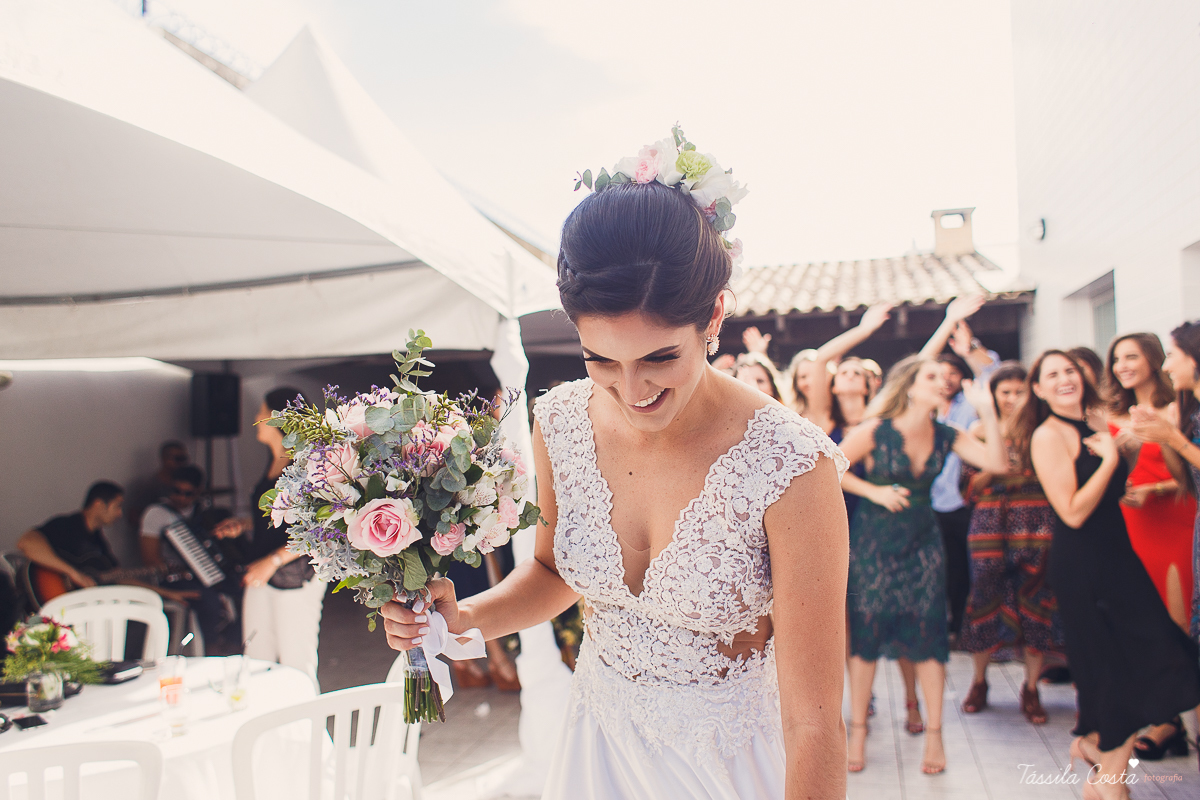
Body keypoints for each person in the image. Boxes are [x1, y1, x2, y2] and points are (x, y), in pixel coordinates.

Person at [382, 173, 850, 798]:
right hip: (595, 754)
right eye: (600, 359)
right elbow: (552, 573)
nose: (632, 392)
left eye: (660, 358)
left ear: (714, 315)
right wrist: (463, 617)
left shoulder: (791, 464)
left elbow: (814, 724)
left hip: (726, 772)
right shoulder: (560, 421)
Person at [1025, 350, 1200, 798]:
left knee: (1163, 655)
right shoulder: (1047, 435)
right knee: (1110, 672)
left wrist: (1132, 447)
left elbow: (1118, 488)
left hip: (1120, 557)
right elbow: (1072, 511)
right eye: (1052, 374)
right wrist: (1106, 461)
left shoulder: (1098, 421)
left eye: (1069, 370)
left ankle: (1097, 754)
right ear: (1039, 389)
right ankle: (1109, 781)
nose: (1064, 379)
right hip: (1083, 566)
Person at [838, 355, 1008, 775]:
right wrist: (874, 492)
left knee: (929, 634)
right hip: (874, 540)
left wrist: (987, 411)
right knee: (867, 632)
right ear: (910, 386)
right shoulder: (875, 430)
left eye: (945, 377)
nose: (943, 381)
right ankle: (857, 731)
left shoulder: (948, 434)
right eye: (932, 376)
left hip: (923, 541)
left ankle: (935, 734)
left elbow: (998, 464)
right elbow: (829, 465)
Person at [957, 363, 1060, 724]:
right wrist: (996, 466)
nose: (1013, 398)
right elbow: (967, 488)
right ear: (994, 395)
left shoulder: (1043, 430)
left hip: (1036, 521)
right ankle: (979, 681)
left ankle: (1031, 687)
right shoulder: (978, 431)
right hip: (989, 523)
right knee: (983, 597)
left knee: (1037, 598)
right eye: (1005, 392)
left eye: (1020, 391)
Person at [221, 388, 326, 689]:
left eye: (261, 411)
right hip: (261, 571)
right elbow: (280, 518)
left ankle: (304, 719)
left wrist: (273, 560)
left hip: (295, 574)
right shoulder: (274, 459)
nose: (256, 417)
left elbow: (319, 529)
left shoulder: (307, 464)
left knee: (296, 662)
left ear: (277, 417)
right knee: (256, 658)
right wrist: (244, 525)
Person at [1104, 334, 1195, 631]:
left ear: (1154, 360)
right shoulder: (1106, 415)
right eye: (1116, 359)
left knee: (1179, 618)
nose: (1122, 366)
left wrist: (1154, 488)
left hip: (1176, 518)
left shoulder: (1177, 409)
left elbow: (1189, 476)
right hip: (1128, 521)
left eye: (1131, 357)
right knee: (1136, 618)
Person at [140, 465, 239, 652]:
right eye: (176, 491)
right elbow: (150, 559)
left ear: (198, 493)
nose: (181, 498)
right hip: (174, 580)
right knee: (208, 600)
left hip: (208, 578)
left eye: (188, 494)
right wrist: (176, 569)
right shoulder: (157, 513)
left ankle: (232, 646)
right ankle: (210, 649)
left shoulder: (204, 514)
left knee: (241, 591)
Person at [783, 304, 892, 434]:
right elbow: (820, 358)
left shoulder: (880, 421)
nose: (850, 375)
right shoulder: (826, 420)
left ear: (866, 388)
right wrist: (863, 330)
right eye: (844, 373)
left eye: (857, 373)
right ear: (834, 387)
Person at [18, 482, 125, 592]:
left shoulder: (100, 542)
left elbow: (118, 574)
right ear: (99, 505)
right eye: (118, 506)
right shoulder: (67, 525)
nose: (120, 514)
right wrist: (73, 574)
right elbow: (26, 543)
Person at [125, 441, 190, 530]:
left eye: (184, 459)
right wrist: (156, 525)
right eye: (178, 459)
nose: (182, 463)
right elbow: (133, 516)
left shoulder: (186, 484)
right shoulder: (150, 485)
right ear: (165, 459)